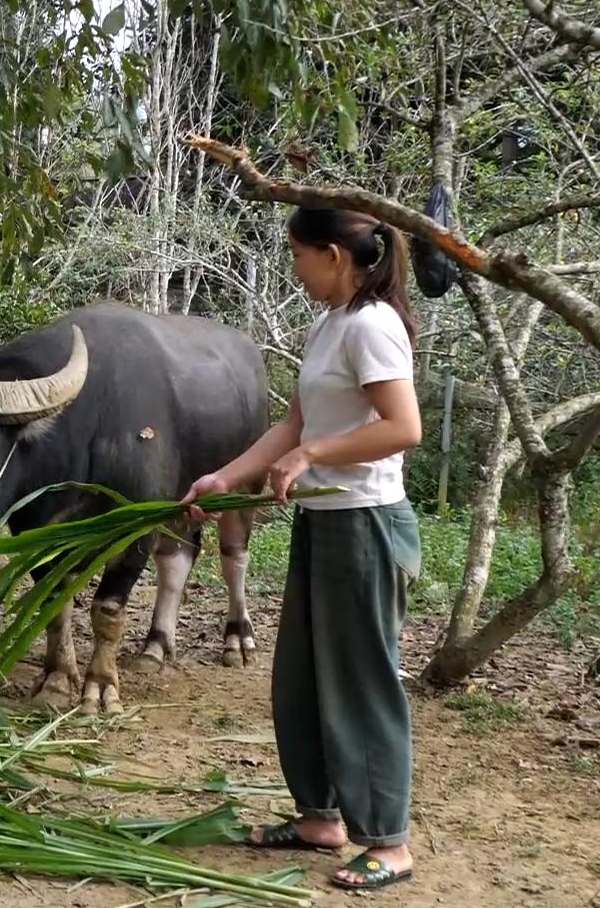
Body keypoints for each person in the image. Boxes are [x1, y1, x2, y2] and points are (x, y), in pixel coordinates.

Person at [180, 206, 425, 893]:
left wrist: (316, 452)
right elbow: (296, 421)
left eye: (297, 254)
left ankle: (390, 841)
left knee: (360, 682)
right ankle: (320, 817)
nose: (294, 268)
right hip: (323, 520)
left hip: (366, 526)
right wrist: (227, 475)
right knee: (302, 676)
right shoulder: (331, 324)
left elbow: (404, 427)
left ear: (334, 255)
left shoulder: (374, 326)